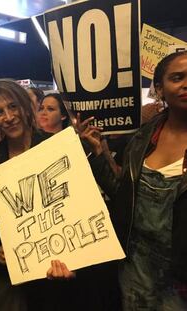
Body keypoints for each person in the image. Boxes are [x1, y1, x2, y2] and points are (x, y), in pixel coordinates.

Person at [80, 50, 187, 310]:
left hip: (181, 280)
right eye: (177, 77)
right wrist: (97, 154)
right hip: (135, 272)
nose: (186, 84)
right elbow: (122, 193)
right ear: (160, 89)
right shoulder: (141, 138)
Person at [0, 79, 75, 311]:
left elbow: (76, 206)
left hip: (59, 272)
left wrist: (75, 257)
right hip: (14, 280)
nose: (9, 117)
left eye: (13, 106)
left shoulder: (56, 146)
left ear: (25, 105)